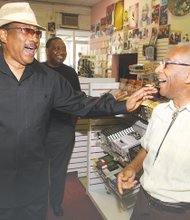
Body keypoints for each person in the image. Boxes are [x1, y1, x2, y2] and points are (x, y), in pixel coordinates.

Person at [0, 2, 156, 220]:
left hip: (33, 187)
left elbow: (82, 103)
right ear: (4, 35)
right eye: (26, 30)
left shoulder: (49, 79)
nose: (34, 38)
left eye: (36, 32)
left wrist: (123, 105)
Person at [118, 45, 190, 220]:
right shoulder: (160, 111)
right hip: (143, 202)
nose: (157, 69)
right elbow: (148, 148)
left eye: (166, 64)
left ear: (188, 75)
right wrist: (132, 168)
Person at [44, 37, 81, 217]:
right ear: (47, 50)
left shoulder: (70, 73)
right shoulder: (37, 70)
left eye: (64, 48)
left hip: (63, 131)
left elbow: (78, 103)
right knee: (38, 170)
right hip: (39, 131)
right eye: (56, 47)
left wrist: (70, 128)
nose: (61, 51)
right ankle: (39, 202)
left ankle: (56, 203)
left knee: (59, 171)